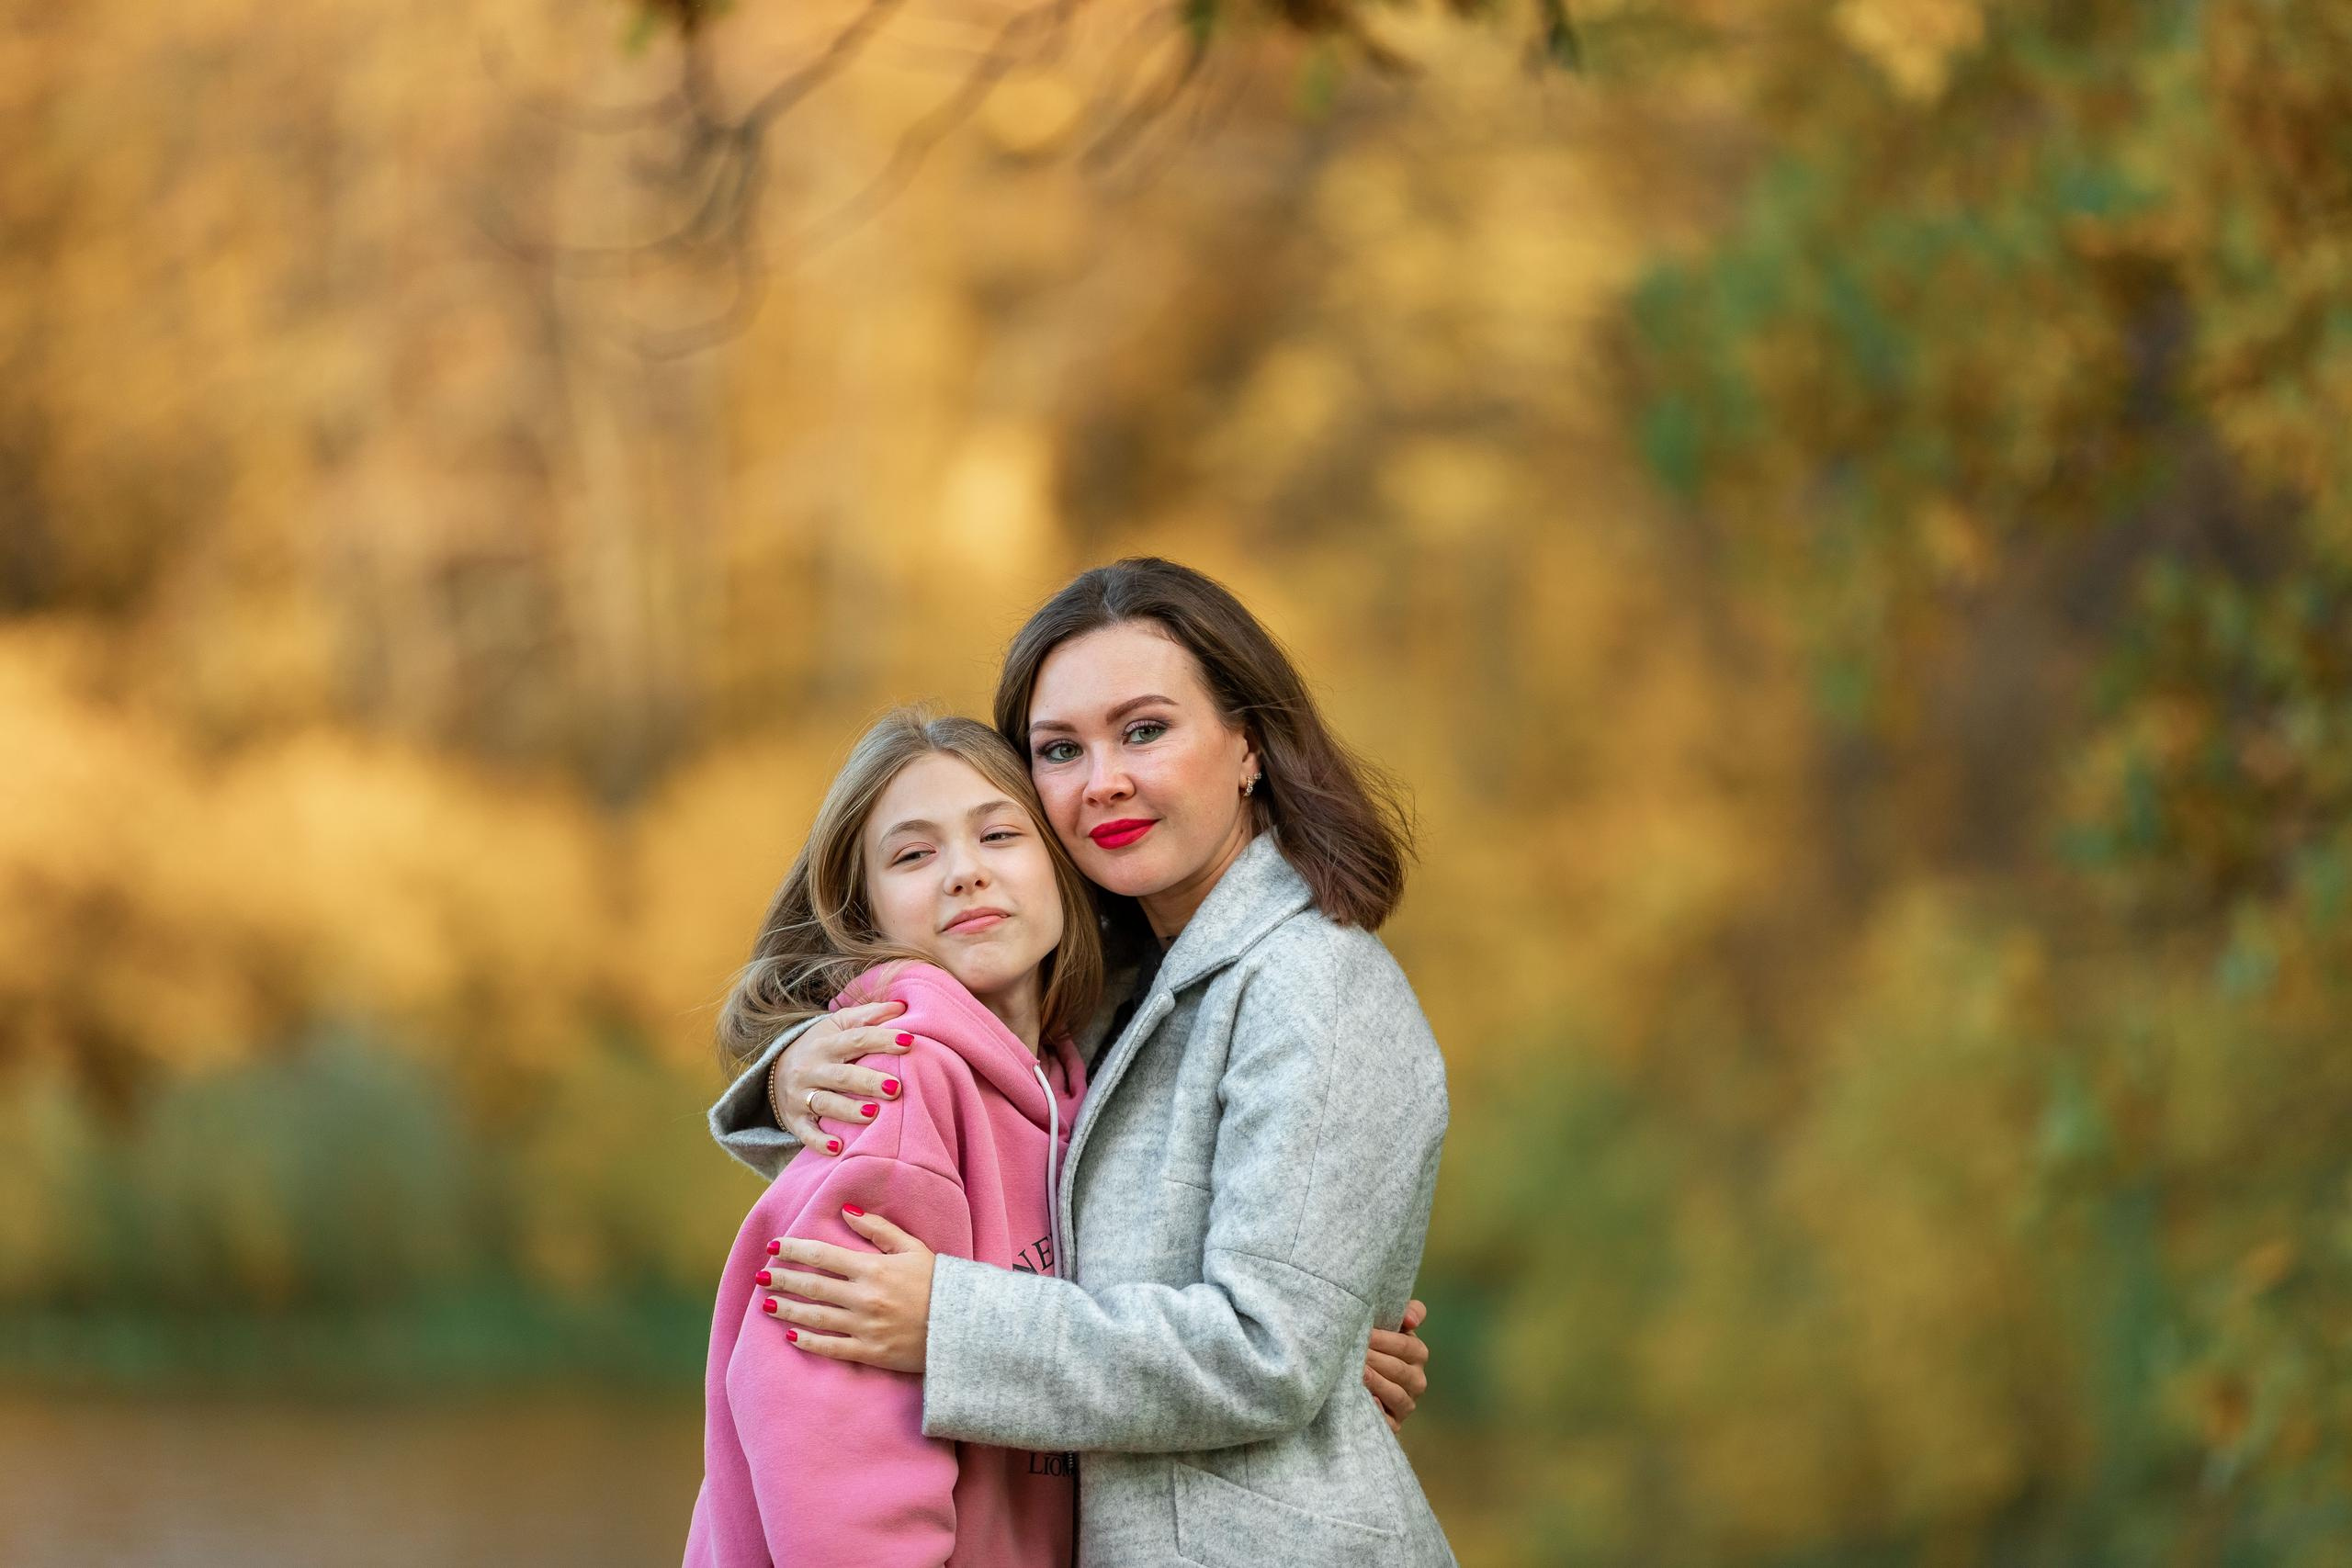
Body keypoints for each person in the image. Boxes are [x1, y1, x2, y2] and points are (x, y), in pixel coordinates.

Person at [713, 558, 1457, 1566]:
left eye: (1144, 730)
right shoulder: (1106, 1012)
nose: (1101, 777)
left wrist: (947, 1321)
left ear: (1248, 744)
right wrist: (797, 1061)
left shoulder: (1308, 985)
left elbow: (1264, 1353)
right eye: (1060, 748)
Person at [684, 709, 1104, 1567]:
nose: (966, 873)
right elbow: (824, 1429)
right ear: (861, 907)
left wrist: (1300, 1342)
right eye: (913, 854)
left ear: (1062, 867)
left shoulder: (1077, 1094)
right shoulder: (896, 1079)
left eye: (999, 834)